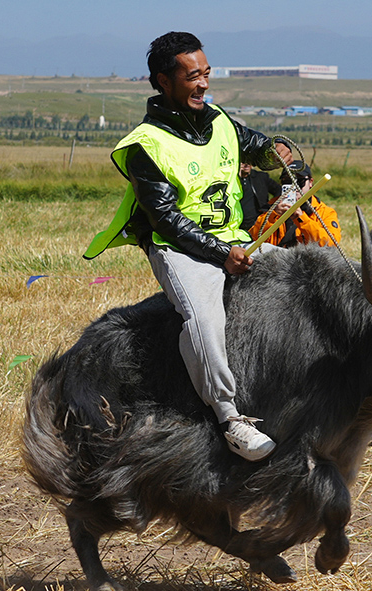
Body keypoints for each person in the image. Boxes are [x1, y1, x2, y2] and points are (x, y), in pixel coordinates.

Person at [84, 31, 292, 461]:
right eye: (193, 77)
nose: (203, 84)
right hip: (179, 249)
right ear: (164, 81)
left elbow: (260, 147)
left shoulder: (221, 121)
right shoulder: (144, 145)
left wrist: (282, 155)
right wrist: (221, 255)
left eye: (207, 74)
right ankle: (230, 418)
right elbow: (165, 219)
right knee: (204, 320)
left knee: (303, 276)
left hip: (236, 240)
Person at [248, 162, 341, 248]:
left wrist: (302, 219)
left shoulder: (324, 212)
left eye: (300, 181)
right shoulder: (271, 207)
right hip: (276, 257)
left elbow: (330, 244)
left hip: (307, 258)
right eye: (288, 181)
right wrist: (273, 215)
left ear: (310, 182)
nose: (294, 186)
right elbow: (254, 237)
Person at [239, 162, 281, 231]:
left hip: (258, 222)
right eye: (243, 162)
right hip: (239, 224)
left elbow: (279, 190)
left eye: (249, 161)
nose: (246, 164)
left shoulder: (261, 177)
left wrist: (271, 206)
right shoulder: (232, 179)